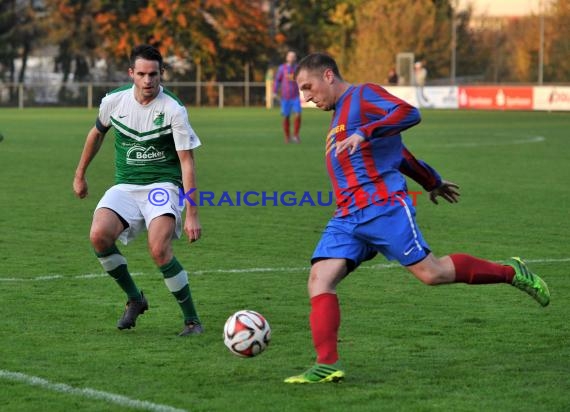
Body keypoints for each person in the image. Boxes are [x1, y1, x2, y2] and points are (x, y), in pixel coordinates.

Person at [284, 53, 550, 384]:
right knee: (319, 279)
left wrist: (366, 133)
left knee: (432, 273)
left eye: (308, 87)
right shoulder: (340, 114)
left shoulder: (362, 95)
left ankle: (512, 272)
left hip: (382, 206)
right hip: (348, 215)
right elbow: (400, 154)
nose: (306, 97)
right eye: (302, 91)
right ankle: (326, 364)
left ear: (328, 76)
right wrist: (430, 181)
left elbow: (409, 113)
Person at [73, 44, 204, 337]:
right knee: (98, 236)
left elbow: (187, 162)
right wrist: (80, 174)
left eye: (154, 74)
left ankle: (192, 320)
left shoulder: (173, 109)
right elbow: (96, 134)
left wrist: (192, 213)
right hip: (126, 186)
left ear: (162, 74)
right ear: (131, 73)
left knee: (159, 249)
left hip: (163, 186)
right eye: (142, 74)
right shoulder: (114, 101)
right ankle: (135, 298)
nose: (148, 81)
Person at [274, 50, 302, 143]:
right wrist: (274, 91)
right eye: (290, 56)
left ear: (295, 58)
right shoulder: (282, 68)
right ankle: (287, 137)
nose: (292, 58)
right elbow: (277, 80)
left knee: (298, 114)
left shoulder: (298, 68)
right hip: (285, 97)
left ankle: (296, 136)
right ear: (287, 58)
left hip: (295, 96)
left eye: (293, 56)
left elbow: (302, 78)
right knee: (286, 116)